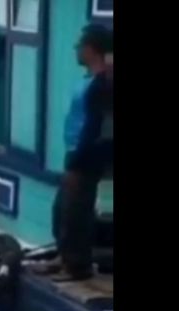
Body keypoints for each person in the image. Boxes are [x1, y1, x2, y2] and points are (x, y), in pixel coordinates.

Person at [52, 23, 113, 282]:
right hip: (75, 151)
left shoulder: (103, 84)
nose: (76, 50)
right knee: (61, 210)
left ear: (91, 50)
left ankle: (77, 266)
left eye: (80, 46)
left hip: (86, 155)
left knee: (76, 212)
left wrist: (81, 159)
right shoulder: (90, 80)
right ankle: (63, 257)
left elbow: (97, 126)